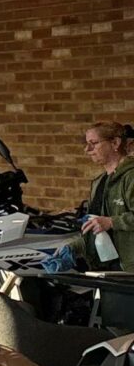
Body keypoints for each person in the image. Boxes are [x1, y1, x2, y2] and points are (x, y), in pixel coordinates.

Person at [76, 120, 134, 332]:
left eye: (94, 143)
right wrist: (74, 247)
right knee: (114, 330)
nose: (87, 149)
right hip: (107, 268)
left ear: (115, 143)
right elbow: (94, 223)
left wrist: (112, 222)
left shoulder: (131, 177)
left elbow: (108, 222)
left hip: (129, 268)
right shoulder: (99, 182)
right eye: (86, 143)